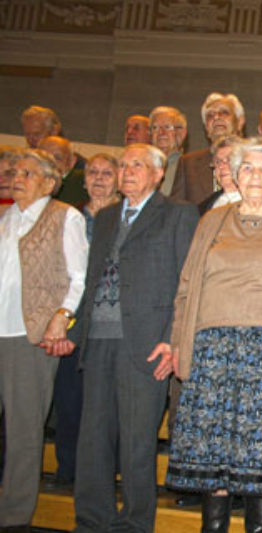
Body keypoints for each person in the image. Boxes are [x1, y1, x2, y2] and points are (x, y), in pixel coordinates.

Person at [165, 137, 262, 533]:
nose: (256, 176)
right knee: (213, 449)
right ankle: (213, 528)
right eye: (248, 168)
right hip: (211, 349)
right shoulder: (211, 221)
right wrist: (179, 343)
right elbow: (186, 287)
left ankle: (258, 528)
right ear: (234, 175)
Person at [67, 143, 199, 533]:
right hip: (99, 338)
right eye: (122, 165)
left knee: (137, 437)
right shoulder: (106, 217)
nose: (126, 172)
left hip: (146, 342)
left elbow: (186, 282)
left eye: (136, 165)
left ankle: (134, 523)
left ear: (159, 174)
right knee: (93, 436)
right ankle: (92, 519)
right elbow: (91, 279)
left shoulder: (177, 214)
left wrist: (173, 339)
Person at [0, 148, 88, 530]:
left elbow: (78, 276)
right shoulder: (7, 216)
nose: (16, 178)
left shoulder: (64, 216)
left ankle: (13, 515)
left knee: (22, 428)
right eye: (13, 171)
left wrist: (61, 317)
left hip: (28, 334)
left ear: (51, 182)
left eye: (27, 173)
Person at [49, 153, 121, 491]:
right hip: (71, 318)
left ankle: (105, 473)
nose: (99, 178)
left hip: (111, 322)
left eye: (108, 173)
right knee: (69, 399)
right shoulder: (69, 216)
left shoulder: (127, 216)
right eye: (92, 172)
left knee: (108, 405)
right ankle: (68, 471)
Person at [171, 92, 246, 204]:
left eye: (224, 112)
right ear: (206, 127)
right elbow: (176, 209)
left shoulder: (254, 157)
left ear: (240, 122)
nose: (216, 117)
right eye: (210, 116)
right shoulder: (188, 163)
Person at [39, 135, 89, 207]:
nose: (52, 163)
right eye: (45, 158)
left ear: (71, 161)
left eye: (57, 158)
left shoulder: (82, 182)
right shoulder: (29, 182)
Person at [149, 105, 188, 196]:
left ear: (181, 133)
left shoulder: (190, 167)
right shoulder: (141, 165)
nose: (161, 133)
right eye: (155, 128)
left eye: (167, 127)